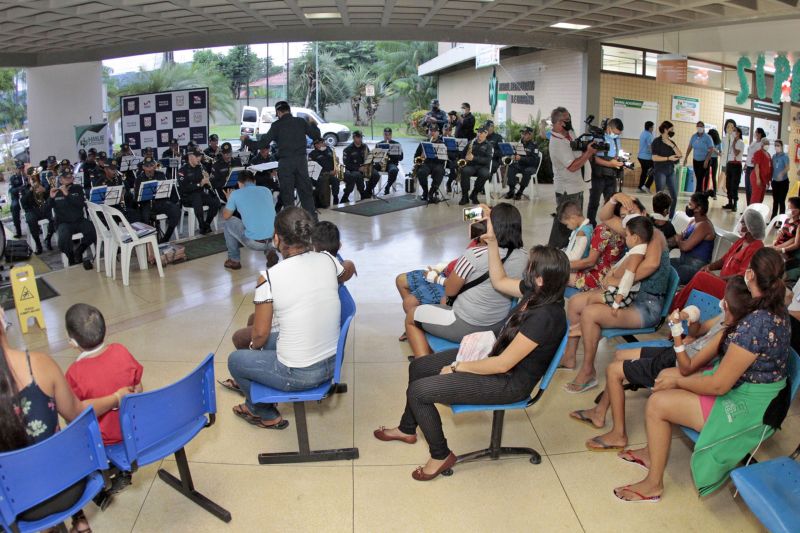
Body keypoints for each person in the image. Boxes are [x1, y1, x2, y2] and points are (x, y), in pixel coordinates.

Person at [373, 245, 569, 481]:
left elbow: (503, 365)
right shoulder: (536, 291)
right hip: (493, 357)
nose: (524, 270)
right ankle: (407, 429)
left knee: (418, 392)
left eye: (529, 267)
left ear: (539, 279)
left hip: (508, 381)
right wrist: (493, 241)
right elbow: (498, 280)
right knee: (418, 366)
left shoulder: (546, 317)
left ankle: (440, 455)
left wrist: (458, 367)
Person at [614, 248, 789, 501]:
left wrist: (679, 379)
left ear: (750, 274)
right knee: (669, 382)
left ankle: (653, 484)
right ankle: (652, 453)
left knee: (658, 402)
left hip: (753, 406)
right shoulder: (772, 308)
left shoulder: (756, 324)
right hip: (751, 389)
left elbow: (719, 386)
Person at [573, 277, 750, 451]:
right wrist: (689, 318)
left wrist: (677, 334)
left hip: (678, 363)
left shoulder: (726, 334)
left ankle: (618, 434)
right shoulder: (723, 318)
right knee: (620, 354)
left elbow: (687, 367)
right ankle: (599, 412)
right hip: (676, 353)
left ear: (727, 303)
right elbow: (699, 331)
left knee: (613, 371)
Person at [0, 307, 133, 533]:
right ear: (2, 317)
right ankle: (78, 520)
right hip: (69, 487)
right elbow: (77, 412)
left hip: (14, 508)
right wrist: (116, 397)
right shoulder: (39, 365)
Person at [222, 207, 345, 429]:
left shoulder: (269, 277)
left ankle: (264, 412)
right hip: (332, 362)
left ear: (277, 238)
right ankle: (257, 388)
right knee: (250, 341)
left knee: (236, 359)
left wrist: (254, 349)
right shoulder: (328, 259)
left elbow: (259, 335)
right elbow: (344, 272)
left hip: (299, 374)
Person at [564, 193, 671, 390]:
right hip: (631, 297)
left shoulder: (653, 234)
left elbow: (651, 265)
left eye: (632, 212)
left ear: (644, 213)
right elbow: (604, 217)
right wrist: (614, 199)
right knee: (576, 302)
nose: (626, 218)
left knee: (589, 314)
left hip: (646, 306)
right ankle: (570, 357)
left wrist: (615, 281)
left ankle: (588, 371)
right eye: (623, 215)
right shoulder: (634, 231)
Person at [406, 203, 528, 358]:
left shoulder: (474, 255)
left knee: (411, 316)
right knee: (443, 302)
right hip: (497, 324)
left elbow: (450, 290)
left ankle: (423, 363)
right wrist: (495, 216)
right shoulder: (524, 256)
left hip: (465, 324)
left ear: (490, 227)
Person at [64, 304, 143, 446]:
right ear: (105, 331)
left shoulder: (73, 373)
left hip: (102, 441)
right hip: (133, 427)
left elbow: (74, 415)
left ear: (72, 342)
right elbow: (138, 387)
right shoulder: (121, 351)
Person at [670, 207, 766, 311]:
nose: (740, 224)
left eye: (742, 223)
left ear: (749, 228)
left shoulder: (756, 247)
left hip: (734, 291)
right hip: (725, 284)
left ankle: (673, 306)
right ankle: (677, 303)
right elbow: (724, 259)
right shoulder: (742, 241)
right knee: (701, 274)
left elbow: (742, 277)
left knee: (701, 278)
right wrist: (709, 267)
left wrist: (719, 279)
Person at [240, 101, 321, 219]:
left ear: (278, 112)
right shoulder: (300, 122)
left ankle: (292, 224)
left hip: (286, 163)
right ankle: (313, 222)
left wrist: (246, 140)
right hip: (301, 162)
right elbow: (316, 136)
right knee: (305, 193)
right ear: (289, 110)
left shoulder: (276, 125)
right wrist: (313, 125)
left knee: (287, 196)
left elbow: (262, 143)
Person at [547, 106, 596, 249]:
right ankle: (555, 252)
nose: (569, 122)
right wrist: (588, 153)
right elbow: (573, 166)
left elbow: (577, 148)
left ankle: (566, 250)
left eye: (569, 119)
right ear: (558, 123)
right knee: (565, 225)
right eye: (566, 120)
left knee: (572, 224)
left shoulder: (569, 133)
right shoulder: (557, 142)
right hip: (567, 190)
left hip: (577, 186)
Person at [569, 199, 632, 290]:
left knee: (559, 275)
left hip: (598, 278)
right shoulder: (625, 229)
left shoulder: (603, 229)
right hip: (612, 273)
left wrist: (563, 265)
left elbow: (590, 262)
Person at [222, 169, 277, 270]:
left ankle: (234, 260)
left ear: (239, 183)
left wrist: (229, 200)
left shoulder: (235, 194)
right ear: (254, 181)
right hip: (274, 240)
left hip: (255, 242)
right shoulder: (266, 190)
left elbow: (226, 216)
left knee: (227, 222)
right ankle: (270, 251)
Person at [49, 167, 96, 269]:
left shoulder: (77, 188)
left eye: (70, 177)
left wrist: (67, 194)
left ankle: (79, 251)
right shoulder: (55, 191)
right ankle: (71, 257)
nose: (69, 179)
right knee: (63, 238)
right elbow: (45, 210)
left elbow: (80, 204)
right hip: (64, 223)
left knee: (93, 229)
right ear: (60, 179)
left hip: (79, 220)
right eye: (66, 178)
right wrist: (50, 199)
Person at [671, 191, 715, 284]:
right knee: (662, 265)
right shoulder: (693, 222)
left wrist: (678, 239)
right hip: (684, 261)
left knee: (669, 274)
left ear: (698, 208)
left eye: (690, 205)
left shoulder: (704, 226)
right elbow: (681, 238)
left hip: (695, 267)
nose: (688, 207)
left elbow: (685, 246)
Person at [133, 156, 181, 243]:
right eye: (147, 166)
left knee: (176, 211)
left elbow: (168, 190)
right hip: (146, 205)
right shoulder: (139, 179)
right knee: (144, 218)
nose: (149, 169)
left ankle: (165, 238)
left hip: (161, 202)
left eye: (151, 166)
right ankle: (149, 243)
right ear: (143, 167)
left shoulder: (161, 175)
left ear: (155, 166)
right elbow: (136, 198)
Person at [587, 118, 625, 226]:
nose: (616, 135)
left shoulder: (617, 139)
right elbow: (592, 158)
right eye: (615, 133)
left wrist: (620, 162)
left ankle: (609, 225)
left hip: (611, 176)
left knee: (610, 202)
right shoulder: (597, 137)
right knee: (594, 202)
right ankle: (591, 225)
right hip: (598, 175)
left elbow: (617, 155)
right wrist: (610, 164)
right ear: (609, 128)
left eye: (618, 134)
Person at [177, 148, 220, 235]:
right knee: (196, 197)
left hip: (200, 194)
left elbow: (206, 185)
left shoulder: (201, 167)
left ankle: (206, 224)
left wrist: (208, 180)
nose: (199, 158)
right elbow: (184, 188)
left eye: (200, 156)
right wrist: (199, 184)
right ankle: (201, 226)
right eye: (197, 156)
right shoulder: (182, 170)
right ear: (190, 157)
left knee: (215, 201)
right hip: (186, 196)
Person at [651, 120, 682, 217]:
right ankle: (658, 217)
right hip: (660, 171)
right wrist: (668, 158)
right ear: (665, 130)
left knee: (674, 197)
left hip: (670, 171)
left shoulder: (671, 142)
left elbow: (680, 155)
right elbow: (654, 157)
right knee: (659, 197)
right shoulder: (656, 141)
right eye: (671, 129)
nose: (673, 131)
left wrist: (671, 145)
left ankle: (671, 218)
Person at [21, 169, 54, 254]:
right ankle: (38, 244)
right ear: (28, 178)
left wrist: (45, 191)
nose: (34, 178)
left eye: (35, 176)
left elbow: (50, 198)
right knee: (31, 220)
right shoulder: (24, 188)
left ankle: (48, 239)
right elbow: (23, 202)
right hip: (31, 210)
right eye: (32, 177)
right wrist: (31, 191)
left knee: (54, 216)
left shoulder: (42, 185)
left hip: (43, 208)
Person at [458, 126, 494, 206]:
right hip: (471, 166)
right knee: (464, 171)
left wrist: (474, 158)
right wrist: (465, 158)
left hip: (483, 166)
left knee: (485, 174)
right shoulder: (471, 142)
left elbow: (487, 160)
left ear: (486, 134)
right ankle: (465, 196)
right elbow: (463, 154)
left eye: (481, 133)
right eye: (478, 132)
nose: (478, 134)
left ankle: (474, 194)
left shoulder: (489, 145)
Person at [341, 131, 379, 202]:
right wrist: (359, 168)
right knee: (357, 175)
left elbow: (369, 158)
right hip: (354, 170)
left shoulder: (365, 146)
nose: (360, 139)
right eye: (358, 137)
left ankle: (368, 192)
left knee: (376, 175)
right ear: (353, 138)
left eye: (361, 137)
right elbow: (347, 164)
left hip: (365, 168)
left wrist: (369, 164)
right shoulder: (348, 149)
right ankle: (362, 194)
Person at [505, 126, 541, 200]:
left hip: (531, 167)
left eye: (525, 134)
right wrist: (513, 155)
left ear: (530, 135)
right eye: (522, 133)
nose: (522, 135)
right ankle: (511, 190)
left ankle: (520, 191)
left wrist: (521, 158)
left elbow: (534, 161)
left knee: (527, 172)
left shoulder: (534, 145)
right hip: (520, 165)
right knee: (511, 166)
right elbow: (515, 155)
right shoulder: (518, 143)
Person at [415, 126, 447, 203]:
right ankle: (425, 191)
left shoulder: (442, 143)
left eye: (434, 131)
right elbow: (415, 156)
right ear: (428, 132)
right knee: (421, 172)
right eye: (431, 131)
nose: (432, 132)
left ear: (438, 133)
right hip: (426, 163)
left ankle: (432, 192)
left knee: (439, 171)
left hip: (438, 163)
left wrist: (437, 156)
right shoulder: (423, 143)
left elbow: (445, 157)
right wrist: (421, 156)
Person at [683, 121, 715, 196]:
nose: (699, 128)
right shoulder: (694, 136)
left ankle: (697, 194)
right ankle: (700, 194)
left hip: (704, 161)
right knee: (698, 177)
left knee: (700, 177)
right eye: (698, 126)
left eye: (701, 126)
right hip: (696, 160)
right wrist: (686, 157)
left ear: (703, 127)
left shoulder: (707, 137)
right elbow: (690, 147)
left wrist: (707, 160)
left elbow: (711, 149)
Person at [722, 127, 746, 211]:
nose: (733, 132)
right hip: (730, 164)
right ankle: (730, 202)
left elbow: (736, 153)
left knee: (734, 185)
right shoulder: (732, 141)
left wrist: (733, 144)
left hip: (736, 165)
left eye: (735, 131)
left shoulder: (741, 142)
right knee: (728, 184)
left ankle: (735, 204)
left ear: (739, 133)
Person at [308, 137, 336, 207]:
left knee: (336, 180)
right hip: (320, 175)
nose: (324, 144)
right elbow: (313, 169)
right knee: (324, 180)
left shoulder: (329, 150)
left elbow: (334, 162)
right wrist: (329, 172)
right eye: (321, 143)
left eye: (323, 142)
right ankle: (324, 203)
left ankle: (336, 198)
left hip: (332, 173)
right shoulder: (312, 154)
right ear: (316, 145)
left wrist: (336, 161)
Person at [744, 127, 766, 205]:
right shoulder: (753, 142)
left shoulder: (761, 144)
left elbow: (759, 157)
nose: (755, 134)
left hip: (754, 168)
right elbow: (749, 154)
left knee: (752, 189)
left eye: (757, 132)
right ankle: (748, 207)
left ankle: (751, 207)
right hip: (748, 166)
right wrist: (746, 164)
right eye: (755, 132)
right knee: (747, 188)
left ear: (760, 134)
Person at [378, 127, 403, 196]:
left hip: (391, 163)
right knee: (371, 170)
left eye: (389, 134)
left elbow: (401, 158)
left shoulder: (396, 144)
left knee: (394, 170)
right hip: (381, 164)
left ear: (391, 135)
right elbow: (375, 157)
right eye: (385, 134)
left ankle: (388, 186)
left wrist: (391, 153)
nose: (387, 136)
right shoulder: (379, 144)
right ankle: (370, 190)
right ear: (383, 135)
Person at [771, 140, 791, 218]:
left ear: (781, 146)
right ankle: (773, 218)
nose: (776, 147)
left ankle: (780, 220)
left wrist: (781, 173)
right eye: (775, 145)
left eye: (778, 145)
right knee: (775, 201)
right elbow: (772, 168)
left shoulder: (785, 156)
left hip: (783, 182)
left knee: (781, 201)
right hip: (775, 182)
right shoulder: (774, 156)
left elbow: (787, 167)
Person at [750, 138, 773, 205]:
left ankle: (757, 212)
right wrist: (758, 178)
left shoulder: (768, 154)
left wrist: (768, 180)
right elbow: (756, 166)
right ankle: (752, 212)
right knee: (756, 197)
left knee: (761, 198)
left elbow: (769, 167)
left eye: (768, 143)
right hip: (757, 177)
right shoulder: (758, 153)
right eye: (765, 143)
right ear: (762, 144)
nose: (767, 145)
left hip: (764, 178)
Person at [7, 160, 25, 238]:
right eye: (19, 168)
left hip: (26, 196)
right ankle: (18, 231)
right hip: (16, 197)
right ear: (16, 169)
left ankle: (37, 227)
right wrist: (19, 188)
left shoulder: (26, 176)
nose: (21, 170)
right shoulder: (13, 178)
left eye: (22, 168)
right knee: (14, 207)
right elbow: (11, 190)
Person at [702, 128, 722, 197]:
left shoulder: (719, 142)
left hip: (715, 159)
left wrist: (715, 150)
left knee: (713, 176)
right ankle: (704, 192)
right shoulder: (708, 141)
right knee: (706, 175)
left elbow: (720, 153)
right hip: (708, 158)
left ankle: (714, 193)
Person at [637, 121, 655, 193]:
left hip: (641, 156)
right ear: (650, 127)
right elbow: (650, 146)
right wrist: (655, 155)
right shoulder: (649, 135)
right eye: (653, 127)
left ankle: (640, 187)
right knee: (654, 171)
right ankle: (646, 186)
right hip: (646, 157)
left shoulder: (643, 133)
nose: (653, 128)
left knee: (644, 172)